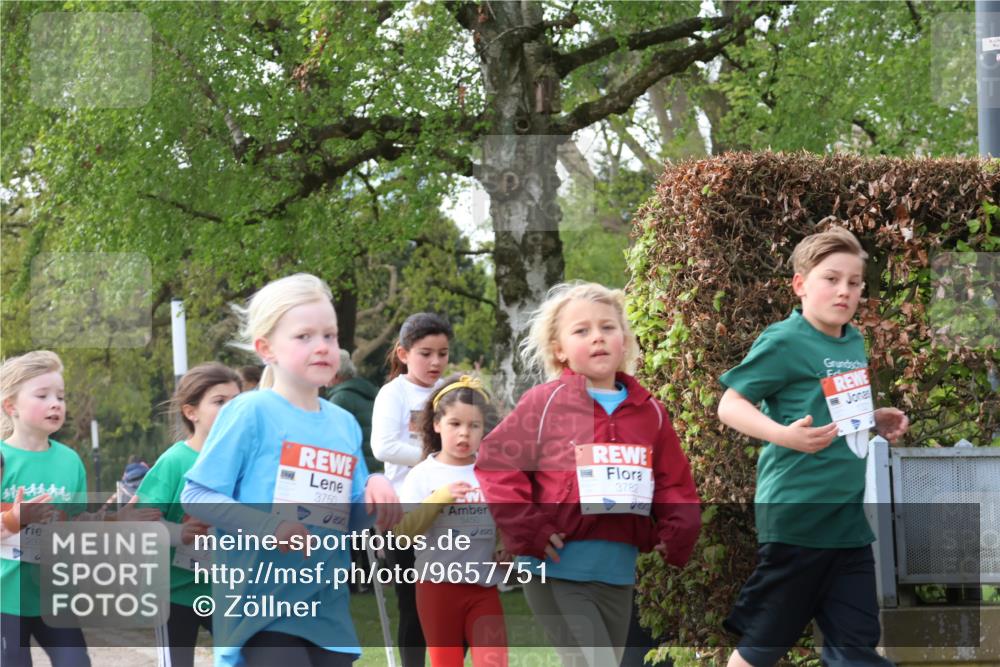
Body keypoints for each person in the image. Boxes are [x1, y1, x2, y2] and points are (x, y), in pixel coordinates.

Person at [475, 282, 701, 667]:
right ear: (559, 349)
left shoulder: (651, 412)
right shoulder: (545, 403)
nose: (598, 337)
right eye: (581, 330)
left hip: (618, 571)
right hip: (555, 566)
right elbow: (497, 464)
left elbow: (673, 482)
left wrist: (678, 531)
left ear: (624, 341)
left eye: (608, 327)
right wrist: (528, 529)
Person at [180, 273, 400, 667]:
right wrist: (270, 527)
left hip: (326, 610)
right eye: (304, 336)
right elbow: (197, 496)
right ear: (266, 348)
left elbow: (347, 520)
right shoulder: (250, 412)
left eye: (329, 335)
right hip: (260, 607)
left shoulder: (344, 424)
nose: (322, 346)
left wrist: (376, 489)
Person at [717, 226, 909, 667]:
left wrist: (873, 418)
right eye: (831, 279)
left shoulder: (853, 340)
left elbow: (836, 412)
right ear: (800, 284)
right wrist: (784, 435)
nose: (845, 291)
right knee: (762, 646)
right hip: (798, 521)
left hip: (848, 524)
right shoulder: (784, 341)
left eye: (854, 283)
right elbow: (730, 405)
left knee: (855, 650)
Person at [393, 374, 506, 667]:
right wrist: (439, 498)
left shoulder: (492, 472)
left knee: (494, 662)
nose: (464, 434)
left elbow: (504, 521)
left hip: (484, 588)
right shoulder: (423, 474)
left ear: (484, 429)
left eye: (474, 425)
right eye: (455, 424)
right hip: (437, 588)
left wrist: (505, 547)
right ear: (436, 424)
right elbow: (402, 535)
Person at [136, 362, 242, 667]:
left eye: (237, 402)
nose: (231, 409)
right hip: (174, 593)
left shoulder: (245, 461)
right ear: (191, 412)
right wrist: (177, 533)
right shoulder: (174, 462)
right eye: (220, 401)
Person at [371, 312, 452, 667]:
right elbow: (384, 446)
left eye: (443, 353)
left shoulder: (451, 391)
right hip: (406, 513)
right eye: (426, 353)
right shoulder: (394, 393)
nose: (435, 362)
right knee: (413, 604)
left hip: (451, 512)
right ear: (403, 354)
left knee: (453, 601)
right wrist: (438, 459)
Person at [0, 350, 90, 667]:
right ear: (11, 406)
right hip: (5, 599)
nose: (56, 403)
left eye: (60, 397)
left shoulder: (70, 461)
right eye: (43, 395)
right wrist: (13, 519)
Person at [327, 350, 380, 473]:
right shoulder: (372, 392)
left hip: (356, 470)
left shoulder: (340, 399)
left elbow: (333, 441)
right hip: (377, 469)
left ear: (335, 375)